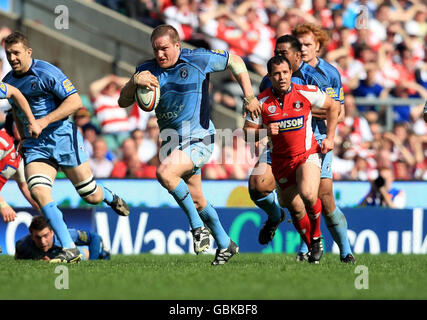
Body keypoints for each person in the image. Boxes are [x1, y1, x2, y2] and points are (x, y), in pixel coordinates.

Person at [118, 24, 261, 265]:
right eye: (156, 50)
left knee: (165, 173)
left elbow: (236, 61)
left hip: (200, 138)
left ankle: (197, 228)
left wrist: (249, 97)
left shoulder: (197, 59)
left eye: (164, 48)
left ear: (177, 45)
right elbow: (123, 101)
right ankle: (226, 244)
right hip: (172, 143)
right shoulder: (145, 71)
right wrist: (134, 82)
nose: (160, 54)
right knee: (196, 199)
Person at [2, 31, 130, 264]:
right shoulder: (8, 82)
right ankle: (69, 248)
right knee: (39, 192)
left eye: (16, 52)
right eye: (8, 53)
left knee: (90, 195)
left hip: (63, 140)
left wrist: (43, 121)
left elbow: (75, 102)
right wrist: (22, 138)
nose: (12, 58)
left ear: (28, 52)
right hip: (36, 147)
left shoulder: (47, 72)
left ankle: (109, 196)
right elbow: (18, 110)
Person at [244, 55, 339, 263]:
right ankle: (311, 244)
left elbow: (334, 106)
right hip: (280, 161)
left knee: (308, 193)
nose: (282, 77)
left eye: (285, 73)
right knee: (294, 209)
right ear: (269, 76)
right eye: (276, 74)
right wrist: (265, 131)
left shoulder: (306, 92)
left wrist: (330, 137)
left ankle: (316, 237)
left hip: (307, 154)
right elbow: (247, 134)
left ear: (291, 73)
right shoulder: (260, 102)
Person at [293, 23, 354, 263]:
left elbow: (338, 112)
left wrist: (310, 112)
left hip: (319, 140)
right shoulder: (288, 71)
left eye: (308, 44)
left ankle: (346, 250)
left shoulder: (329, 73)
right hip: (293, 140)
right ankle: (308, 245)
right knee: (301, 196)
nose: (303, 48)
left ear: (318, 46)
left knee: (324, 196)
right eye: (299, 44)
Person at [15, 215, 110, 261]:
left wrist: (92, 263)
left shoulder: (64, 235)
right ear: (32, 236)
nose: (43, 241)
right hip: (55, 254)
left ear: (52, 232)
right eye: (38, 237)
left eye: (46, 236)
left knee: (81, 253)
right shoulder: (22, 245)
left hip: (76, 250)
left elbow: (94, 237)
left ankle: (103, 253)